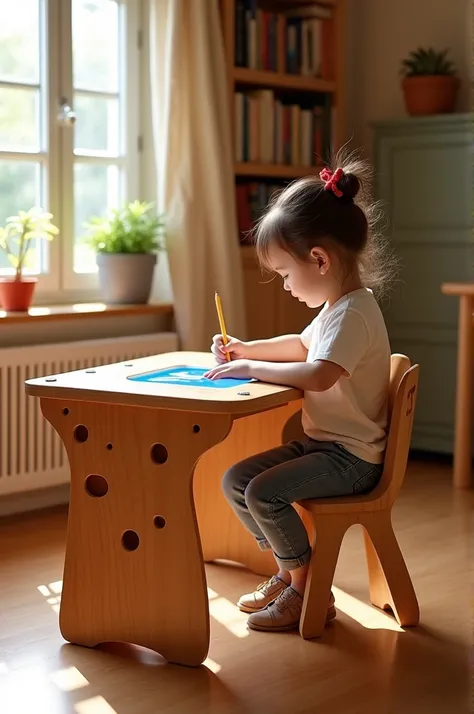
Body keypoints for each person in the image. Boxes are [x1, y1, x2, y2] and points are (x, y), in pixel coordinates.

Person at [204, 152, 396, 633]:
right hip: (325, 446)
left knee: (264, 492)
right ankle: (291, 573)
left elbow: (318, 374)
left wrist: (249, 367)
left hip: (351, 459)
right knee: (236, 480)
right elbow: (300, 345)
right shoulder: (338, 306)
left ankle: (305, 590)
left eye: (286, 275)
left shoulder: (353, 314)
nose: (286, 286)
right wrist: (247, 347)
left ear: (319, 259)